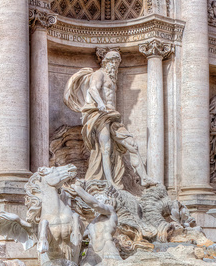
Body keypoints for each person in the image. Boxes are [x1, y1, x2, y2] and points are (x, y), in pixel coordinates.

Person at [64, 50, 155, 188]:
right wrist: (100, 103)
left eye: (117, 63)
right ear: (106, 62)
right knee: (105, 148)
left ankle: (144, 178)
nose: (115, 66)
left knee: (132, 145)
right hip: (100, 115)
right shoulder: (99, 73)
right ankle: (110, 182)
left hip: (112, 116)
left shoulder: (112, 79)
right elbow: (93, 89)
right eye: (113, 62)